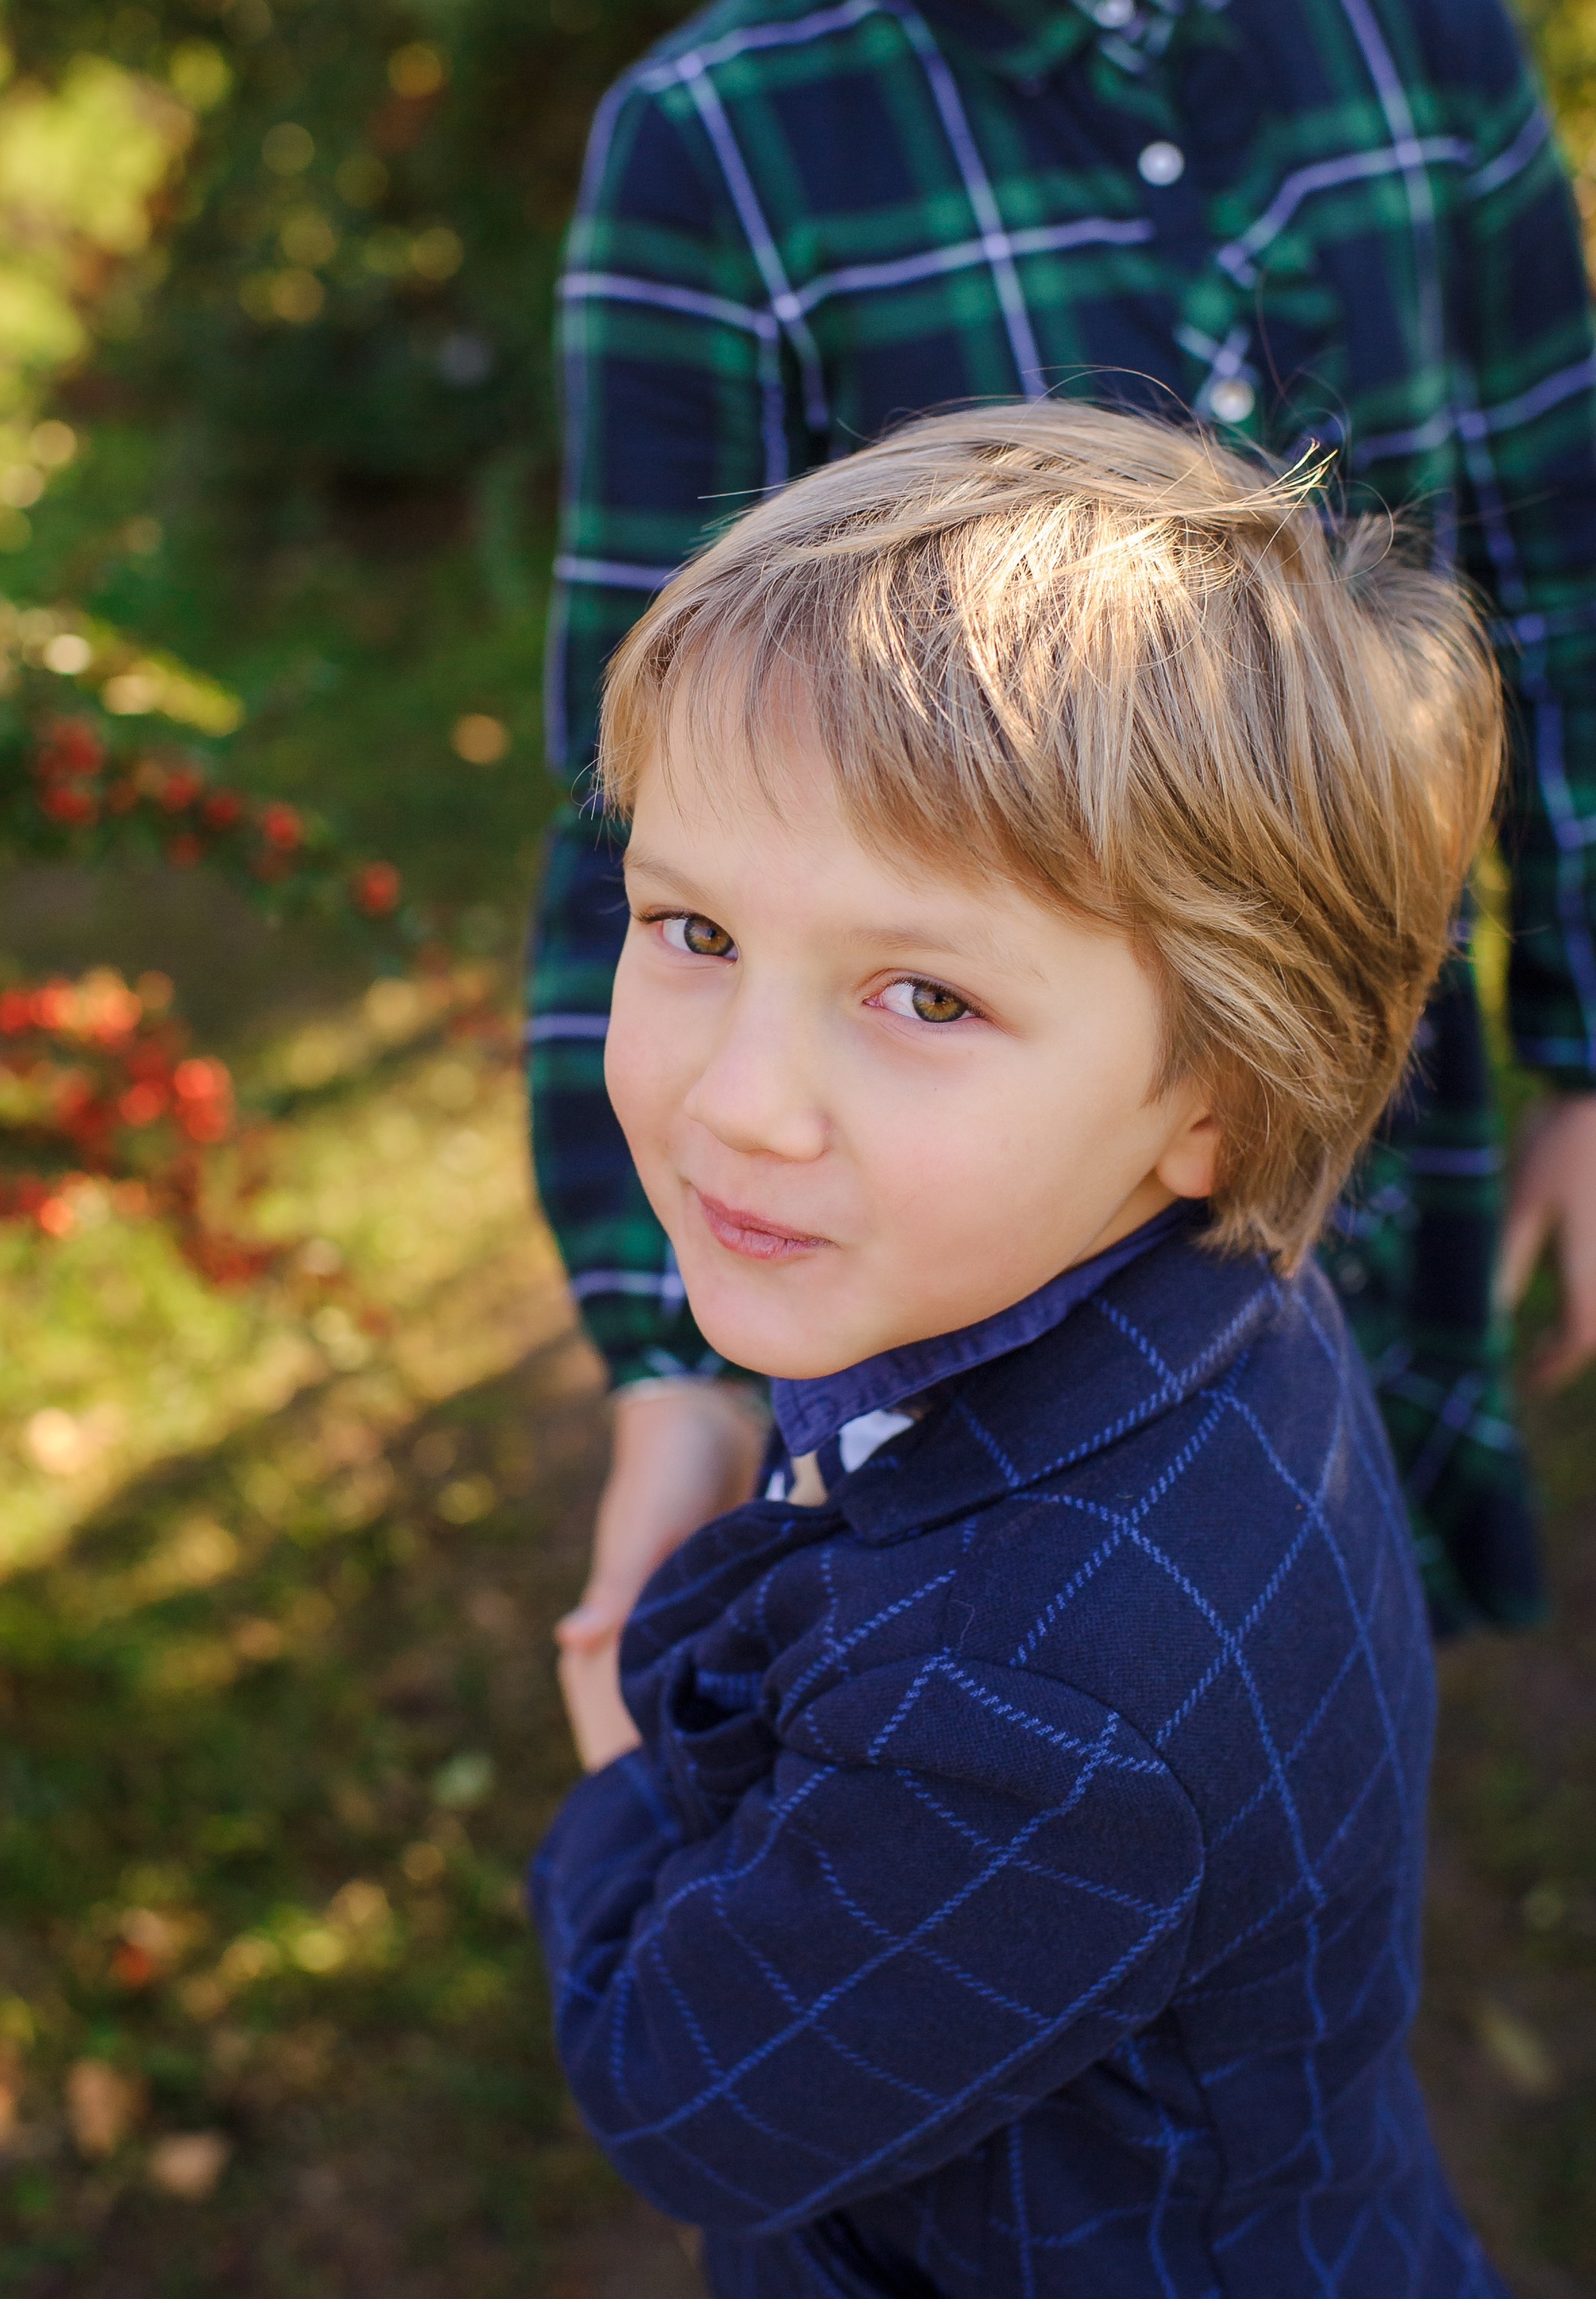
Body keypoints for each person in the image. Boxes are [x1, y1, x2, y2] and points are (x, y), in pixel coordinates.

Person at [528, 0, 1596, 1734]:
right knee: (1020, 1772)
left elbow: (1546, 579)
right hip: (955, 1198)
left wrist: (1584, 1043)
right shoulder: (721, 138)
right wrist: (668, 1366)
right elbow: (630, 803)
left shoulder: (1418, 40)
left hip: (1341, 1118)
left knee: (1315, 1695)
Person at [531, 403, 1509, 2296]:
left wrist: (623, 1790)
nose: (741, 1102)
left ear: (1218, 1093)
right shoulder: (1167, 1282)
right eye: (694, 926)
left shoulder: (1035, 1716)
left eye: (924, 993)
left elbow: (688, 2096)